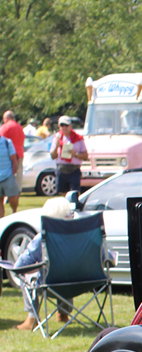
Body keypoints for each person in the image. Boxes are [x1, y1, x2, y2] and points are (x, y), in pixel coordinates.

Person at [6, 197, 108, 331]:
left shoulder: (42, 239)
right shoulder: (87, 235)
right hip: (89, 281)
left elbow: (19, 266)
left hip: (52, 284)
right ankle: (63, 313)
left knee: (32, 274)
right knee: (68, 268)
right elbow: (106, 257)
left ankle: (31, 318)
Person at [48, 116, 88, 194]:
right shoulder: (57, 138)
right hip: (62, 169)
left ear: (71, 126)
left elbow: (86, 156)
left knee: (75, 193)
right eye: (62, 125)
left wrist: (75, 154)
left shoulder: (78, 138)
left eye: (66, 125)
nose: (64, 127)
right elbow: (53, 156)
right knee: (64, 193)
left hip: (74, 169)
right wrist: (57, 146)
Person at [1, 110, 25, 214]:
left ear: (6, 118)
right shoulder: (20, 127)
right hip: (19, 156)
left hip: (9, 158)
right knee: (17, 184)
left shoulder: (5, 127)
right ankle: (14, 209)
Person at [0, 128, 17, 218]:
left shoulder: (7, 142)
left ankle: (14, 212)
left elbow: (14, 160)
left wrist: (13, 174)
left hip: (8, 175)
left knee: (12, 198)